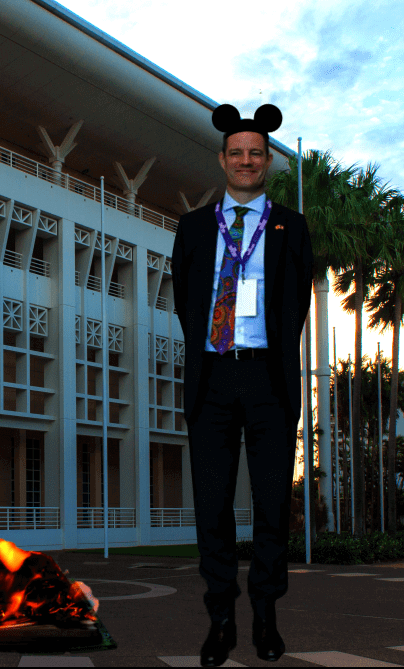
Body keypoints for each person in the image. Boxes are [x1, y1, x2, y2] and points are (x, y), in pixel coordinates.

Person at [171, 104, 314, 666]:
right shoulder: (194, 226)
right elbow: (186, 300)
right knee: (212, 504)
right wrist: (215, 344)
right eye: (237, 153)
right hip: (211, 377)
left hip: (266, 378)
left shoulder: (291, 227)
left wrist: (263, 353)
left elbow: (295, 304)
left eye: (256, 153)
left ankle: (267, 617)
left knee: (272, 501)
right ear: (222, 158)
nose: (247, 161)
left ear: (268, 160)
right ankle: (222, 620)